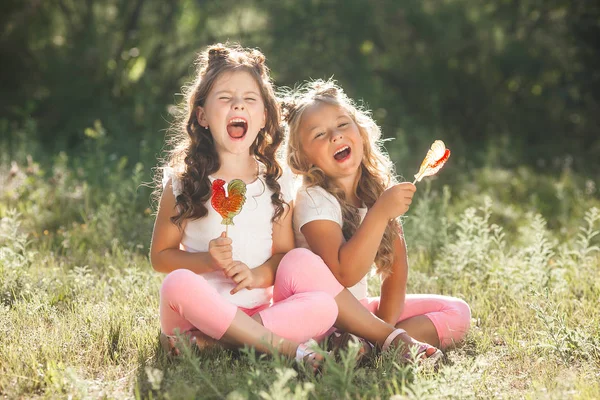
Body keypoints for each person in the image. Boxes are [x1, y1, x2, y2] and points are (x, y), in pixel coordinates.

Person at [151, 43, 339, 371]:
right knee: (176, 284)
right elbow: (160, 257)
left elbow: (281, 256)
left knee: (325, 307)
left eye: (250, 99)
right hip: (191, 318)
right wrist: (207, 261)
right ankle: (286, 349)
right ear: (202, 116)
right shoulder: (184, 181)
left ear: (264, 116)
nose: (238, 104)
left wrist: (254, 276)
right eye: (225, 98)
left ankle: (219, 343)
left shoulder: (276, 184)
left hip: (257, 314)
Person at [283, 79, 471, 356]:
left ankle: (368, 345)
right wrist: (381, 212)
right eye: (319, 135)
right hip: (323, 318)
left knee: (457, 311)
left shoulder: (374, 191)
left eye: (342, 124)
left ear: (360, 132)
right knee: (337, 328)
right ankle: (354, 344)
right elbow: (345, 274)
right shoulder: (313, 199)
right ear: (302, 158)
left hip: (361, 313)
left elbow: (395, 272)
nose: (335, 136)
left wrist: (384, 329)